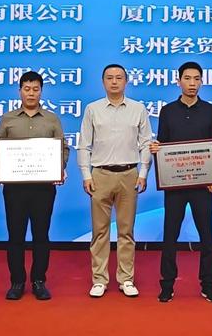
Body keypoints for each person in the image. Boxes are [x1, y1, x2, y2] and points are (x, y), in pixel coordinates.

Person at [0, 71, 69, 301]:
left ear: (41, 91)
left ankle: (38, 281)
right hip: (15, 188)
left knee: (41, 235)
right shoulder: (8, 119)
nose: (31, 93)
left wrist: (60, 167)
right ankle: (17, 281)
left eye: (35, 89)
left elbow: (63, 148)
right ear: (20, 91)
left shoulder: (51, 119)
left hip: (43, 187)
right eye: (27, 89)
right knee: (15, 235)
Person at [77, 64, 153, 298]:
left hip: (129, 174)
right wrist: (86, 175)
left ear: (126, 81)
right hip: (100, 175)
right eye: (109, 78)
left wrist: (143, 173)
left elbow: (146, 143)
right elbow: (84, 145)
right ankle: (99, 279)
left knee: (126, 231)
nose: (114, 81)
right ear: (103, 82)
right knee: (99, 231)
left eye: (119, 77)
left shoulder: (138, 109)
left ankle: (126, 279)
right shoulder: (93, 109)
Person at [149, 62, 212, 303]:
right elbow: (162, 144)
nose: (192, 83)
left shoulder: (210, 111)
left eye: (196, 78)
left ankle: (208, 285)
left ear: (202, 81)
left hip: (202, 184)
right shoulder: (168, 111)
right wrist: (156, 149)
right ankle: (167, 285)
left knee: (206, 236)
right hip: (175, 185)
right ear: (178, 81)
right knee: (170, 235)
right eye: (187, 78)